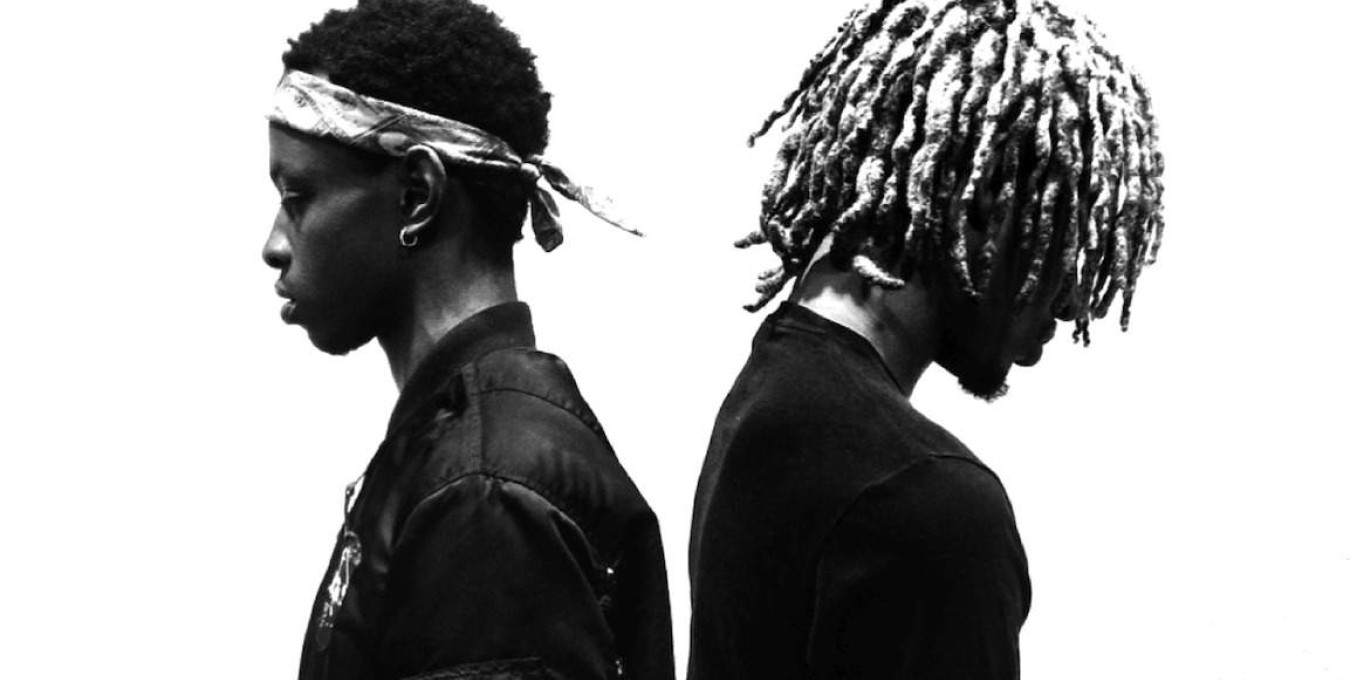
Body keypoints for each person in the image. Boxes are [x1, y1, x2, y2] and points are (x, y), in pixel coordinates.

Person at [689, 0, 1164, 677]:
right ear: (981, 202)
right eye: (1059, 229)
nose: (1072, 301)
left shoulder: (772, 393)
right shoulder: (929, 506)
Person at [261, 1, 673, 678]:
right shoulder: (462, 453)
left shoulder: (483, 492)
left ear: (417, 194)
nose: (274, 245)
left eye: (297, 196)